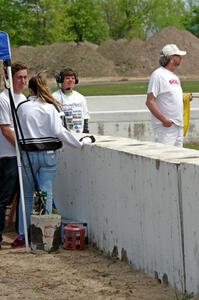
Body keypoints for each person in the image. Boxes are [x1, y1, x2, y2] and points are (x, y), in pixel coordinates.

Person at [12, 73, 94, 247]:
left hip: (28, 154)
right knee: (46, 193)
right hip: (49, 154)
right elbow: (60, 132)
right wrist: (79, 143)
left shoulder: (22, 107)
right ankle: (45, 234)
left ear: (30, 89)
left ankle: (23, 234)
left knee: (26, 196)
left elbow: (17, 131)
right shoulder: (51, 107)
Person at [0, 62, 28, 247]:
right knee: (3, 197)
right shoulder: (3, 99)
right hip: (7, 155)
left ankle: (21, 234)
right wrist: (20, 146)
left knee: (23, 195)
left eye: (25, 77)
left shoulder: (23, 98)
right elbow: (5, 128)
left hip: (20, 154)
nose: (23, 81)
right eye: (19, 77)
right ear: (9, 78)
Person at [146, 44, 188, 147]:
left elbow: (172, 97)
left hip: (178, 126)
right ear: (172, 58)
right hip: (166, 128)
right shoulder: (158, 75)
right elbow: (150, 102)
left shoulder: (174, 76)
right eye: (178, 56)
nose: (181, 58)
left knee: (179, 159)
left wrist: (186, 97)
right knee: (165, 158)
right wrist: (164, 120)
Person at [53, 68, 90, 133]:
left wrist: (85, 131)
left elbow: (85, 116)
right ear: (61, 80)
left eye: (73, 78)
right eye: (67, 78)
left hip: (79, 135)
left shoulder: (80, 97)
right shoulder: (54, 97)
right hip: (62, 135)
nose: (70, 80)